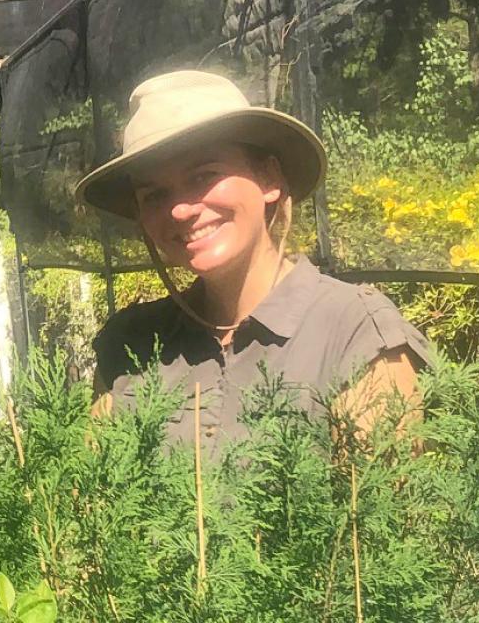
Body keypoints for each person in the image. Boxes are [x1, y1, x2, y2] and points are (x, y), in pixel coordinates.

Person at [76, 70, 429, 448]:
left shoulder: (354, 332)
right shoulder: (129, 344)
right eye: (154, 195)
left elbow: (379, 502)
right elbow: (95, 499)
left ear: (269, 178)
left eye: (203, 177)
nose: (180, 211)